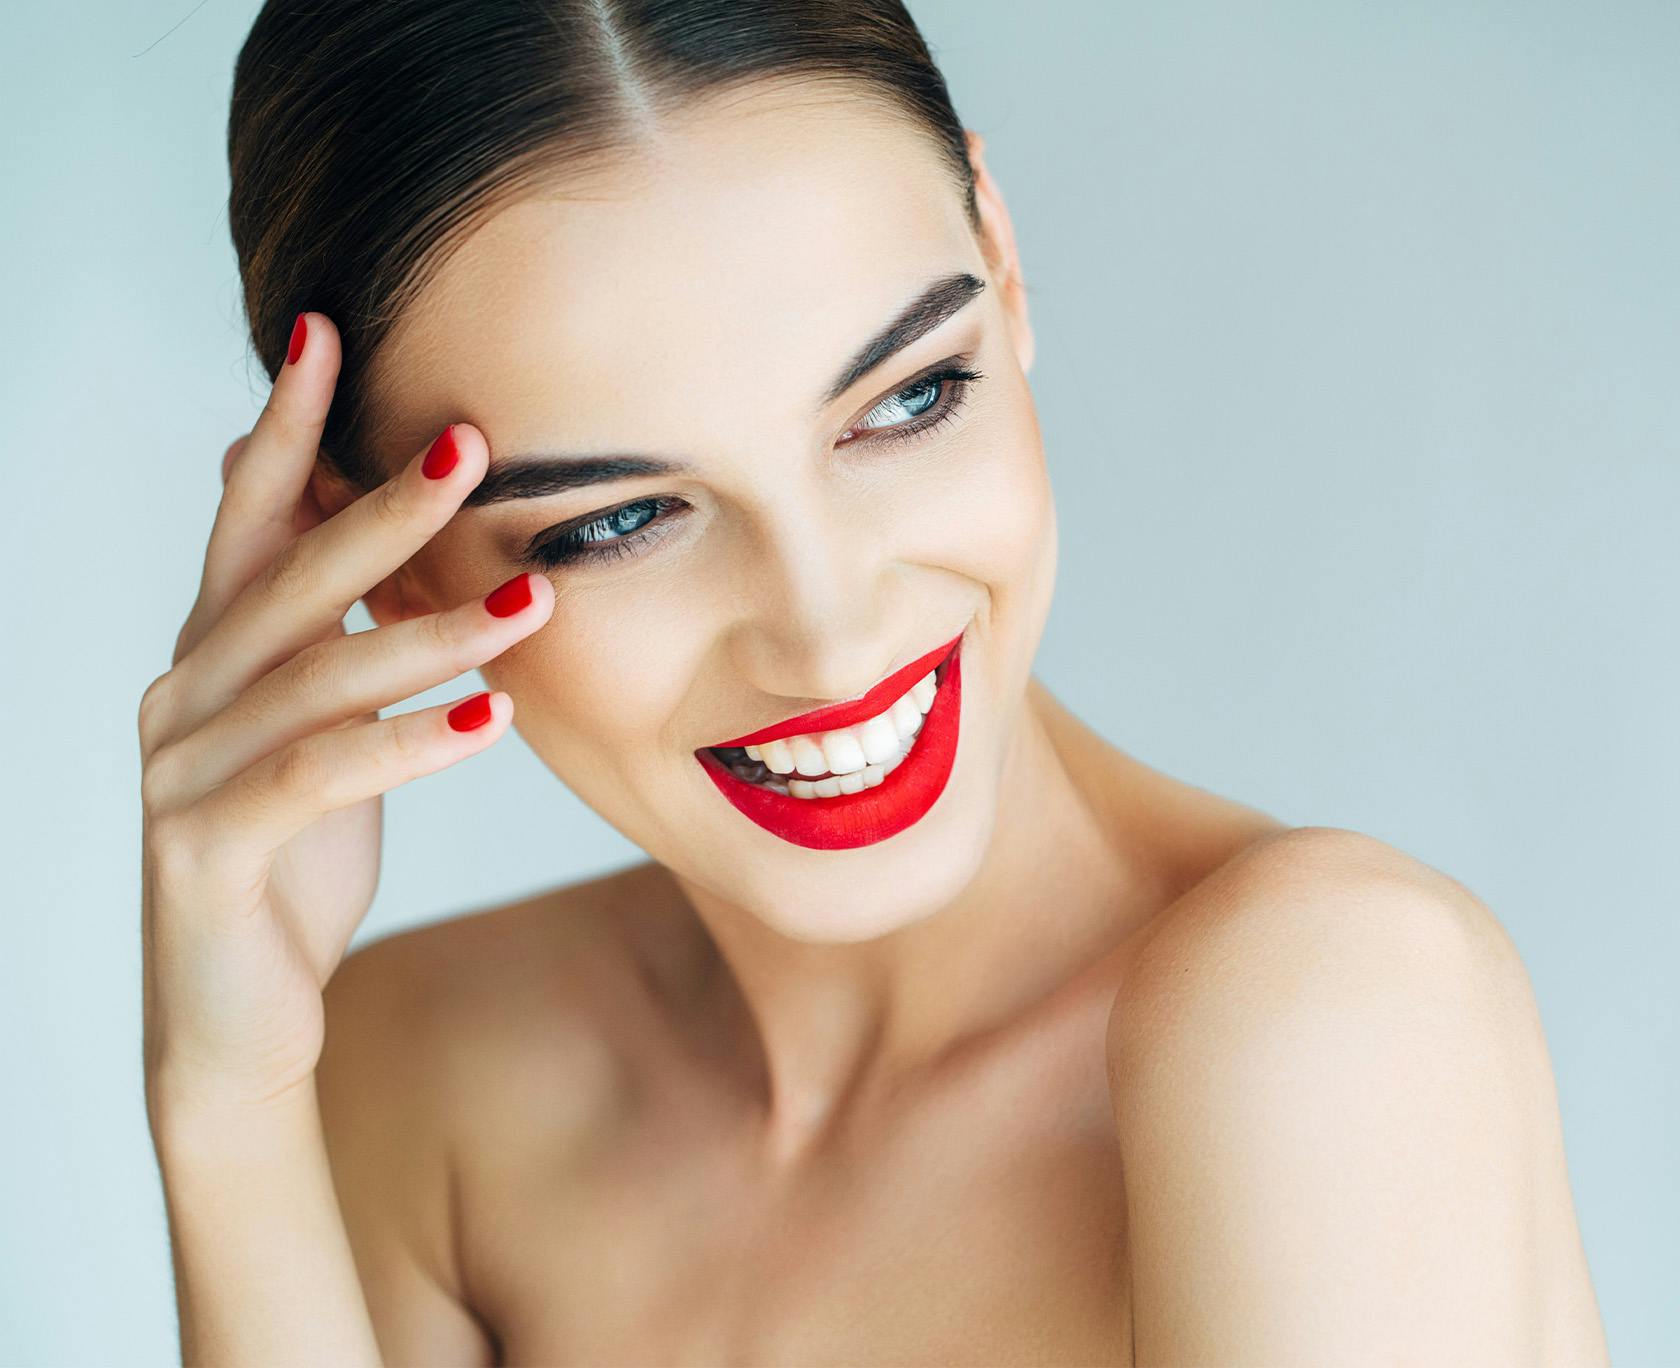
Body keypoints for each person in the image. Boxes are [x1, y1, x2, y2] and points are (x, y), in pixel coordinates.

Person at [137, 2, 1609, 1362]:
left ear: (1006, 262)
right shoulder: (424, 1085)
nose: (830, 635)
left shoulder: (1321, 1012)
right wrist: (227, 1105)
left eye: (908, 398)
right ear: (375, 562)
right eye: (618, 520)